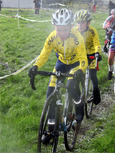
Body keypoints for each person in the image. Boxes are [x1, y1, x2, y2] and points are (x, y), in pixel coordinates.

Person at [28, 8, 88, 137]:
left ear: (71, 26)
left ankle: (79, 104)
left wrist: (81, 70)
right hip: (61, 63)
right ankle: (50, 129)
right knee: (50, 93)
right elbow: (44, 54)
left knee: (71, 85)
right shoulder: (52, 37)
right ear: (54, 26)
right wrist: (35, 66)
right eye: (58, 29)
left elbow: (83, 58)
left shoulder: (77, 37)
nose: (61, 33)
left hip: (75, 64)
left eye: (65, 29)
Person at [75, 10, 102, 105]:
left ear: (88, 23)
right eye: (78, 23)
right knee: (75, 75)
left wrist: (97, 53)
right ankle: (77, 95)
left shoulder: (92, 30)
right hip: (80, 56)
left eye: (82, 22)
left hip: (91, 55)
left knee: (92, 75)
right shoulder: (74, 31)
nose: (80, 25)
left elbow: (96, 43)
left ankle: (96, 92)